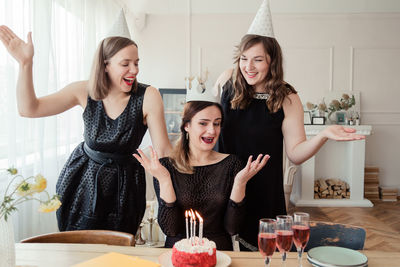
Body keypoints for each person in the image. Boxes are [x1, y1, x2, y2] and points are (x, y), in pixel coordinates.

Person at [214, 0, 365, 250]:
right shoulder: (227, 83)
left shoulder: (287, 97)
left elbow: (295, 154)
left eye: (258, 60)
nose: (248, 67)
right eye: (243, 58)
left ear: (272, 61)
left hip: (264, 188)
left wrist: (324, 135)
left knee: (263, 252)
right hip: (225, 184)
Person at [0, 25, 172, 235]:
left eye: (136, 63)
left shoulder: (149, 96)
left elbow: (164, 151)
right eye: (125, 64)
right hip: (82, 181)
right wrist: (25, 64)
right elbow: (29, 109)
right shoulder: (84, 90)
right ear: (105, 65)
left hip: (125, 187)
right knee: (78, 247)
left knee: (119, 251)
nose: (134, 70)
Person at [134, 95, 270, 250]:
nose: (212, 130)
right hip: (179, 252)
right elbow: (170, 229)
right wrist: (165, 180)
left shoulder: (232, 164)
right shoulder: (166, 167)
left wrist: (240, 183)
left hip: (219, 252)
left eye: (217, 124)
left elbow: (233, 228)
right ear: (187, 126)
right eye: (203, 123)